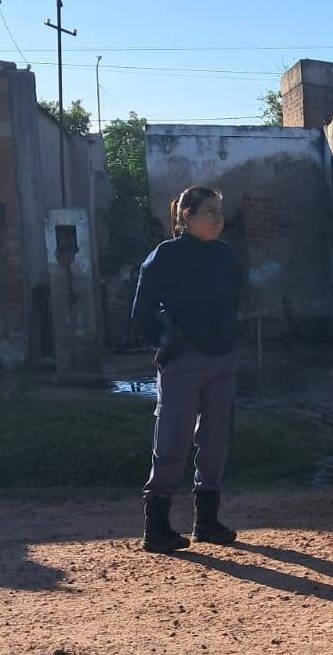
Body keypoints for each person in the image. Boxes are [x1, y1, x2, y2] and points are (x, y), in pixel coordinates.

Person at [132, 186, 242, 554]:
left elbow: (235, 302)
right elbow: (140, 313)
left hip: (222, 360)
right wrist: (171, 343)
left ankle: (207, 521)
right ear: (186, 216)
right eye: (209, 210)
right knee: (173, 439)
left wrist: (227, 337)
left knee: (215, 441)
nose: (217, 218)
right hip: (182, 363)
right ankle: (157, 525)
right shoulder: (166, 257)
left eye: (220, 211)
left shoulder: (226, 257)